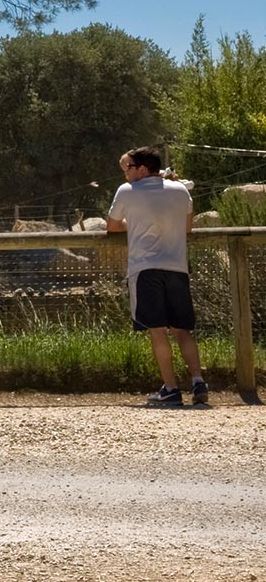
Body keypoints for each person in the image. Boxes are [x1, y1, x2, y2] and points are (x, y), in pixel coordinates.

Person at [105, 147, 205, 406]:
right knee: (181, 329)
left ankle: (171, 388)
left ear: (142, 169)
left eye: (128, 168)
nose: (125, 174)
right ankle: (198, 381)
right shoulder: (181, 190)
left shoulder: (127, 192)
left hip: (146, 268)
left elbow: (113, 226)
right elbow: (187, 227)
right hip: (177, 267)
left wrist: (134, 225)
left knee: (158, 331)